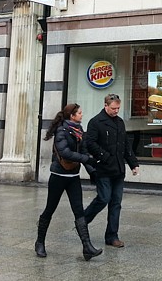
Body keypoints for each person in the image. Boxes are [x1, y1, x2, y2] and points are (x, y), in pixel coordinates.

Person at [35, 103, 102, 261]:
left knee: (79, 211)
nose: (82, 114)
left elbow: (84, 151)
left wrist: (92, 171)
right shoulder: (62, 131)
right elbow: (65, 153)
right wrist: (87, 159)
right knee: (50, 209)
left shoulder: (79, 131)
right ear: (72, 115)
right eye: (79, 112)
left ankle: (87, 247)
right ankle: (39, 242)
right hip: (58, 176)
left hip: (73, 177)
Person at [84, 93, 140, 248]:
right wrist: (105, 156)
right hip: (103, 168)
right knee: (103, 198)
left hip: (119, 170)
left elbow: (126, 146)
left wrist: (133, 164)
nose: (116, 111)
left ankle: (112, 236)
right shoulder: (95, 122)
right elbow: (90, 143)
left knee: (116, 203)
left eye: (118, 108)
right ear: (106, 106)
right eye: (114, 108)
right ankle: (83, 220)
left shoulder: (120, 122)